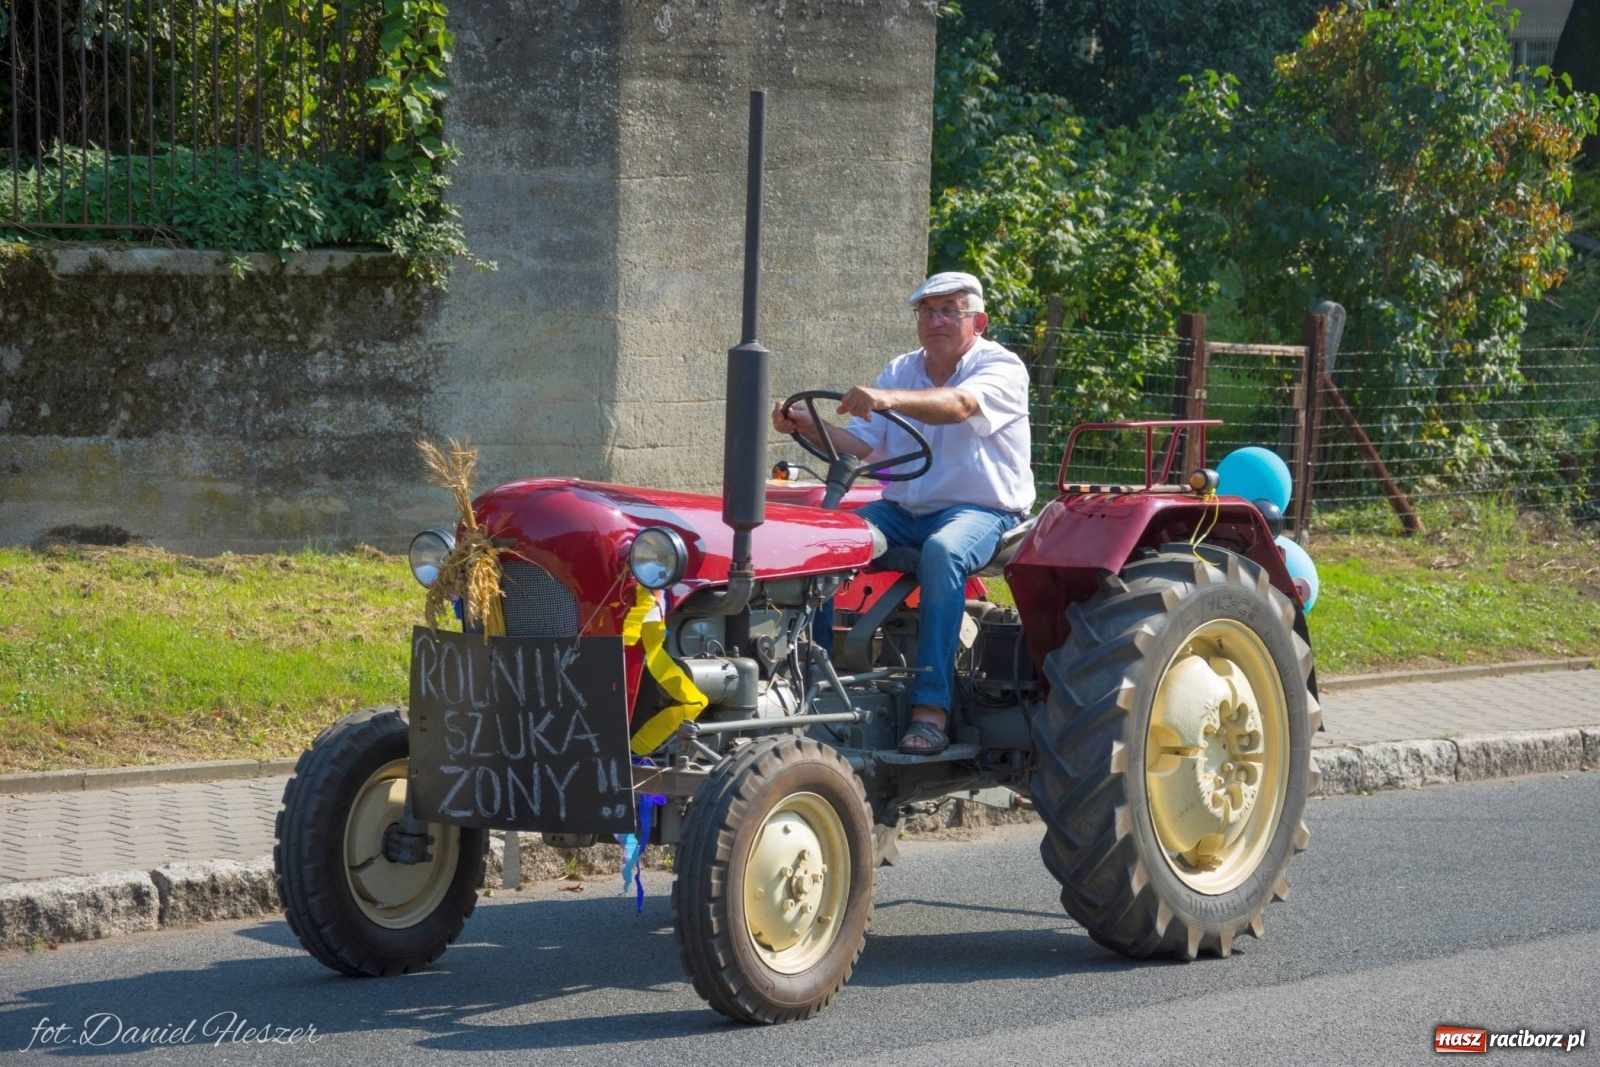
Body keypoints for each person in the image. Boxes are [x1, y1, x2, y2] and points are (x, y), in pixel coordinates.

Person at [771, 271, 1034, 755]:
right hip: (902, 508)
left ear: (978, 320)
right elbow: (862, 446)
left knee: (942, 552)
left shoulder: (1001, 367)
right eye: (926, 311)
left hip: (982, 511)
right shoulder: (901, 369)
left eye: (949, 310)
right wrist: (811, 426)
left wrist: (887, 399)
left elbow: (958, 406)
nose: (935, 320)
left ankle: (930, 711)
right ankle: (813, 683)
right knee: (826, 540)